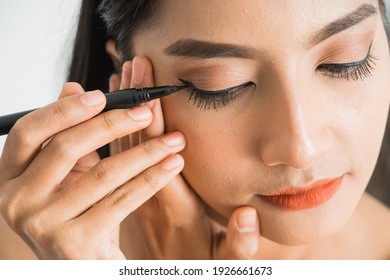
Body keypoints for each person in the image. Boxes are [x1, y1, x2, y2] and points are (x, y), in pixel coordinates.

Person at [0, 0, 389, 260]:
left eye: (345, 62)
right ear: (124, 82)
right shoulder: (29, 243)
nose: (301, 148)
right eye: (221, 85)